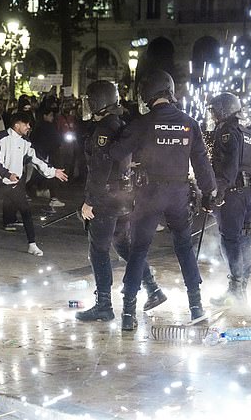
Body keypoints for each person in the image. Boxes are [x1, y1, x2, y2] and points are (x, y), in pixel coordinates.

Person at [108, 70, 217, 331]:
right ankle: (196, 306)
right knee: (184, 248)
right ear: (170, 91)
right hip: (179, 194)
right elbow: (202, 163)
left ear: (146, 95)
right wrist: (209, 194)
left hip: (149, 194)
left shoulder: (142, 123)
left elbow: (116, 152)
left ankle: (128, 313)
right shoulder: (189, 123)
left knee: (138, 251)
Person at [76, 80, 167, 322]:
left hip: (106, 199)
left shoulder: (104, 129)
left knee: (99, 250)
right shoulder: (120, 123)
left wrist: (89, 201)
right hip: (124, 197)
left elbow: (100, 169)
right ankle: (153, 288)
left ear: (99, 102)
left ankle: (104, 304)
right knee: (124, 245)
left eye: (90, 100)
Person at [0, 112, 68, 256]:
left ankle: (32, 244)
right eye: (26, 124)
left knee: (26, 212)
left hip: (16, 185)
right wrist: (7, 174)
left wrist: (52, 171)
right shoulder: (0, 138)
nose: (28, 127)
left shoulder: (25, 141)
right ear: (17, 124)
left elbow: (36, 158)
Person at [207, 93, 251, 303]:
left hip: (233, 193)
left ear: (223, 109)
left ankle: (235, 288)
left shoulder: (227, 132)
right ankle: (242, 288)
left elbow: (229, 167)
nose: (212, 115)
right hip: (250, 193)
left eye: (214, 110)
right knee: (245, 238)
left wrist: (218, 191)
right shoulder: (249, 133)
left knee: (229, 239)